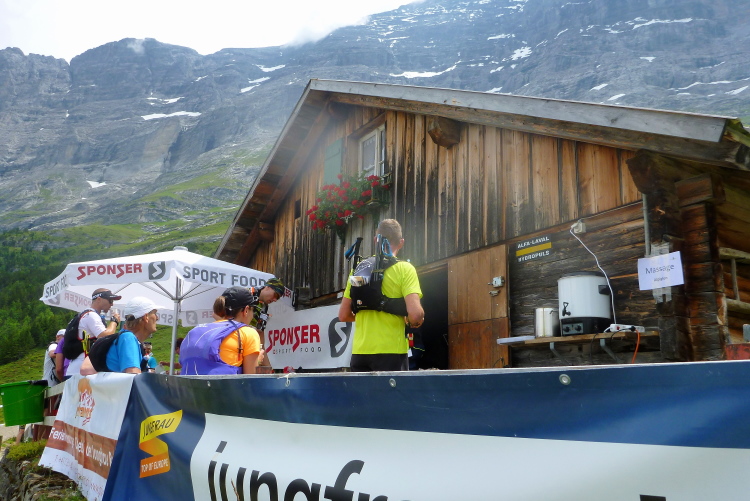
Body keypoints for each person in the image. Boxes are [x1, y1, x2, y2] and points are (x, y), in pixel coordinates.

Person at [339, 219, 424, 372]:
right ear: (401, 242)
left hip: (360, 353)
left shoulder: (360, 268)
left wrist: (367, 315)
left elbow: (344, 315)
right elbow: (415, 315)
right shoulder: (405, 269)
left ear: (375, 240)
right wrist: (415, 320)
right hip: (392, 353)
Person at [180, 287, 263, 375]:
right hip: (225, 383)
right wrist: (257, 360)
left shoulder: (196, 330)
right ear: (246, 310)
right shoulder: (247, 332)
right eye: (252, 311)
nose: (252, 316)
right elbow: (250, 377)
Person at [55, 288, 122, 380]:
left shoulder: (85, 314)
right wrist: (114, 321)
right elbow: (105, 335)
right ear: (99, 299)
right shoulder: (91, 315)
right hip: (82, 370)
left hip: (77, 368)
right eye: (110, 300)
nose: (112, 304)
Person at [105, 296, 164, 373]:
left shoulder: (127, 337)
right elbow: (133, 375)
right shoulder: (128, 338)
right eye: (155, 313)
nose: (157, 318)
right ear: (146, 317)